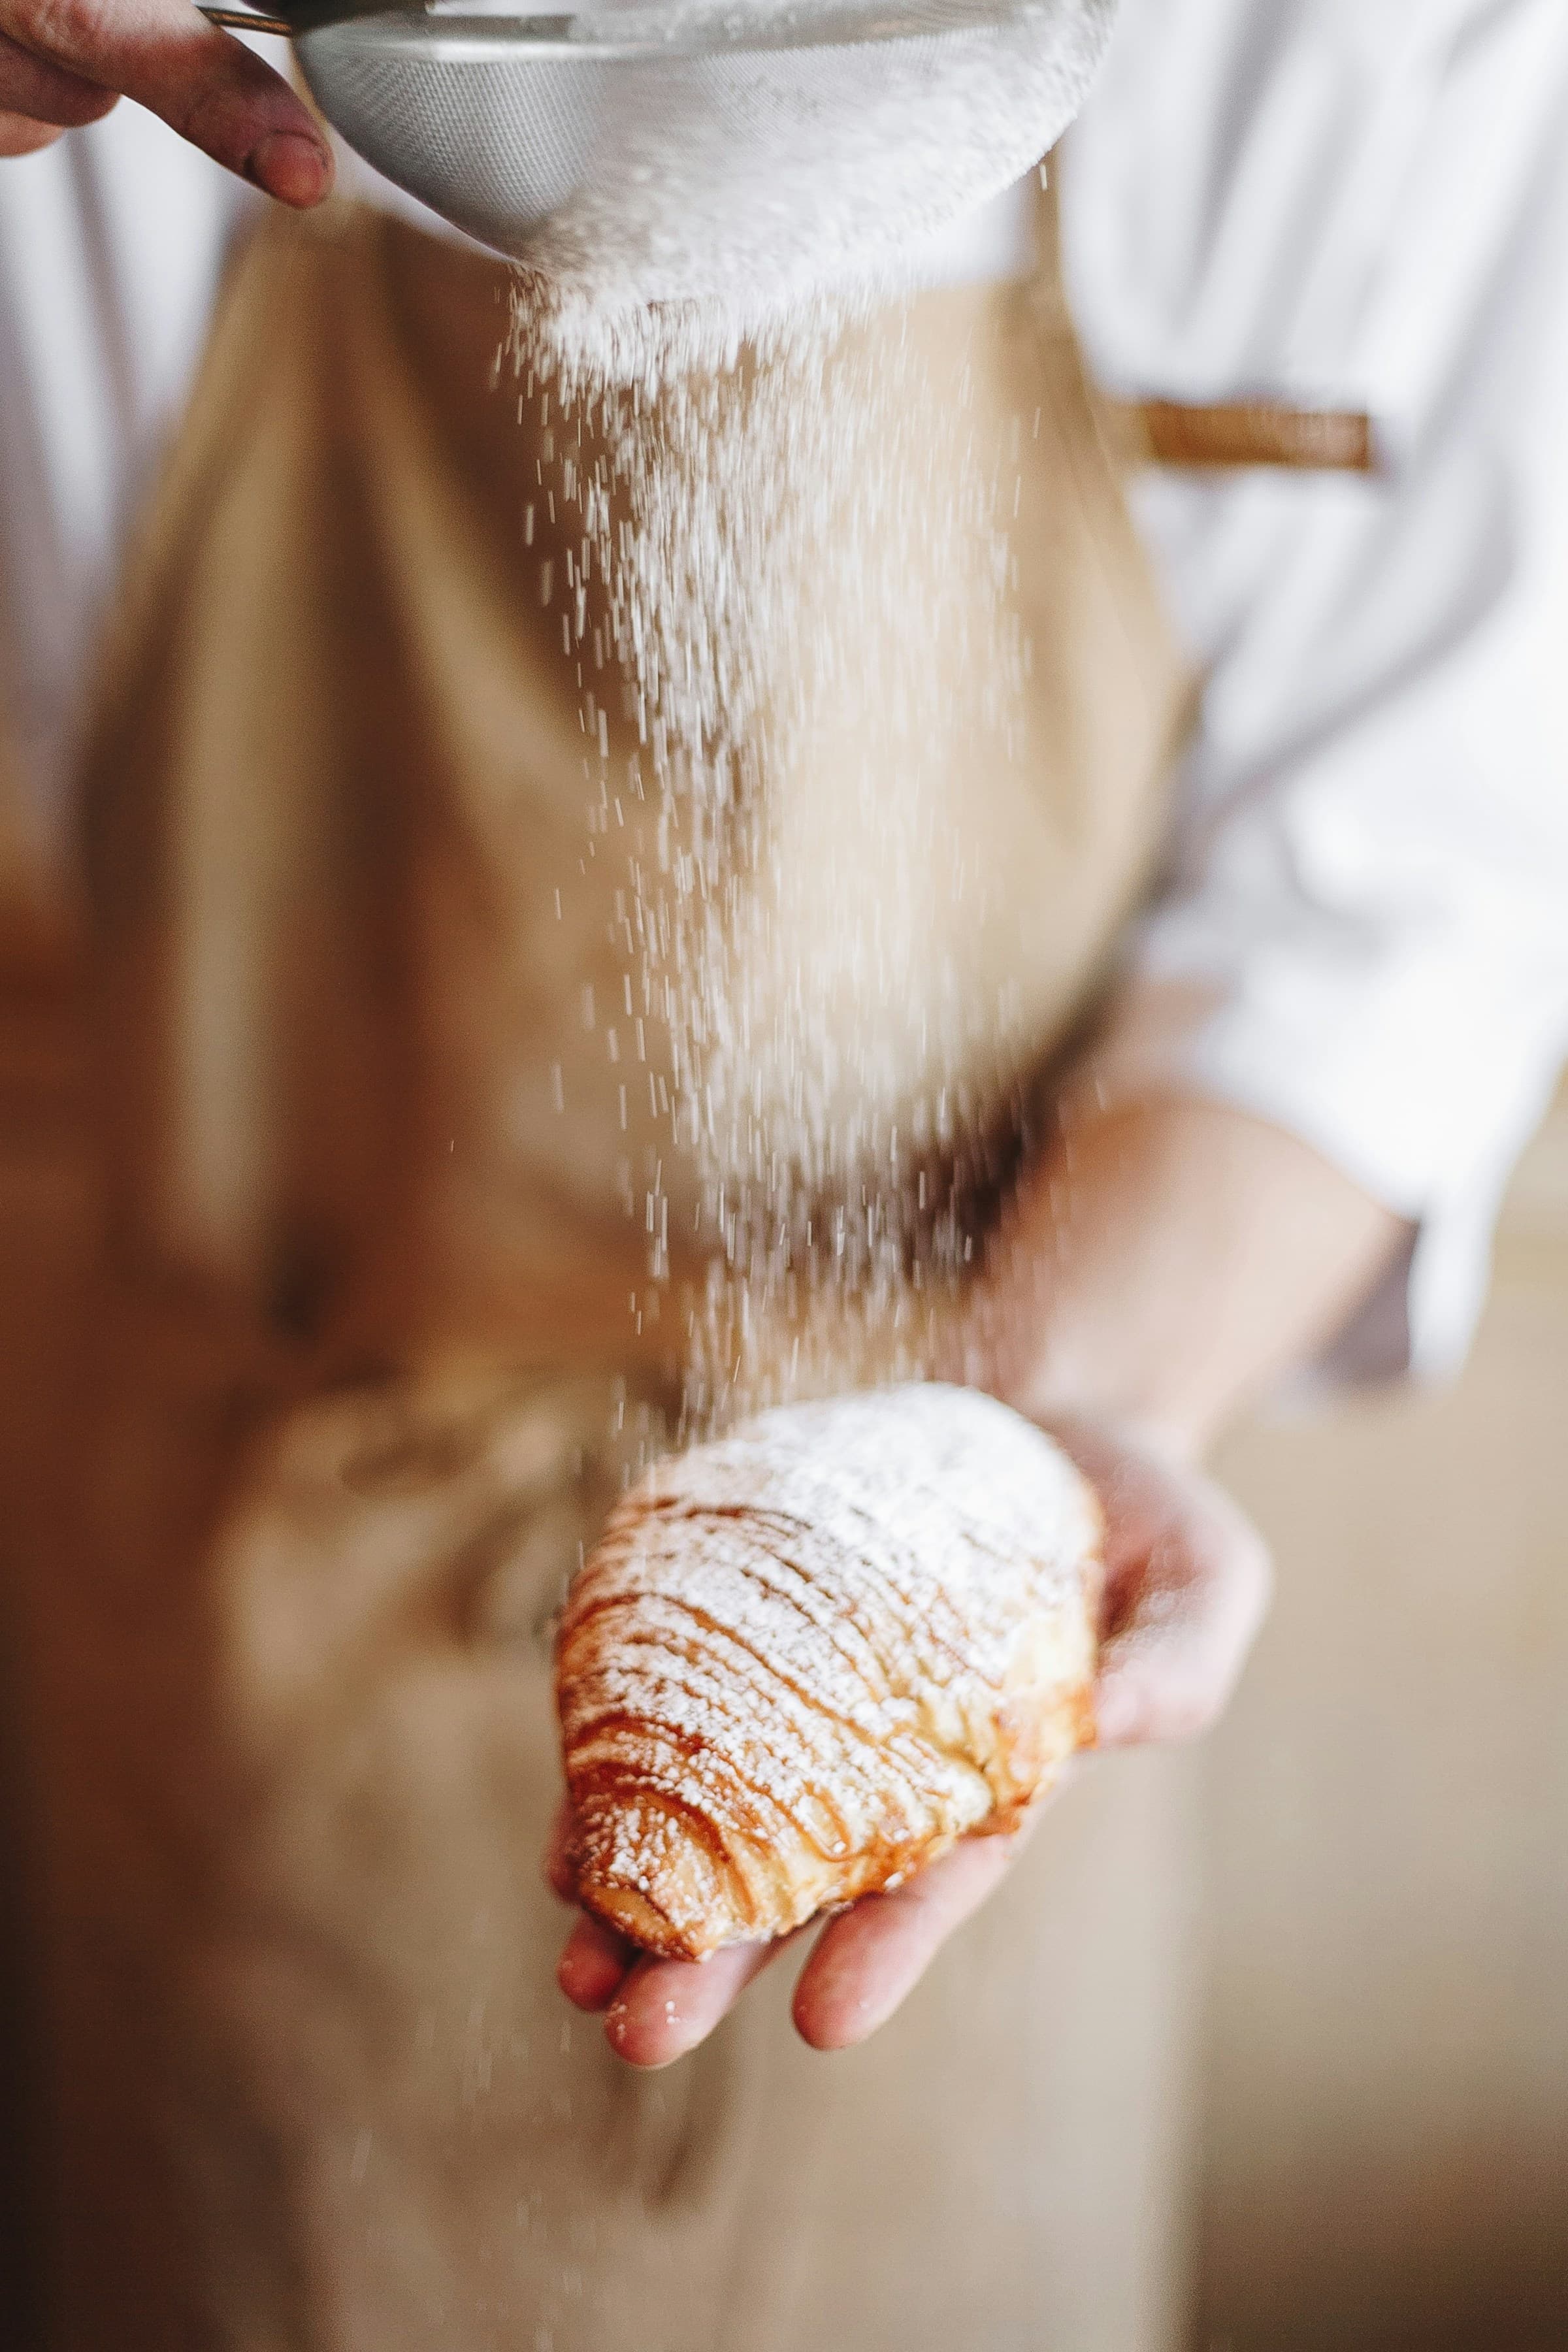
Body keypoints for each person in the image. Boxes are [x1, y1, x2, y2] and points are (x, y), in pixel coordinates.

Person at [3, 1, 1568, 2347]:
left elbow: (1395, 891)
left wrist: (1042, 1451)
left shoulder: (1397, 44)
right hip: (225, 1684)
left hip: (937, 1722)